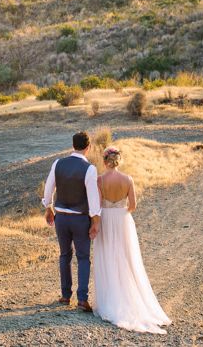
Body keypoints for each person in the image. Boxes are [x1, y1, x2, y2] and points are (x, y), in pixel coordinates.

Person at [92, 146, 171, 334]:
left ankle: (110, 297)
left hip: (106, 219)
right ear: (118, 160)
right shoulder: (128, 179)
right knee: (126, 258)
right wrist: (121, 213)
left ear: (105, 161)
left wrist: (107, 214)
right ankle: (128, 294)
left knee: (107, 256)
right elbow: (133, 205)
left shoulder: (100, 180)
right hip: (123, 220)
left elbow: (97, 204)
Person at [42, 131, 101, 312]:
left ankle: (65, 295)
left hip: (61, 218)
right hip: (80, 218)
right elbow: (93, 198)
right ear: (88, 147)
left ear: (73, 145)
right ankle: (82, 299)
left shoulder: (58, 163)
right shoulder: (89, 169)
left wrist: (48, 207)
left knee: (64, 255)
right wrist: (95, 220)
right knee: (83, 257)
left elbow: (48, 187)